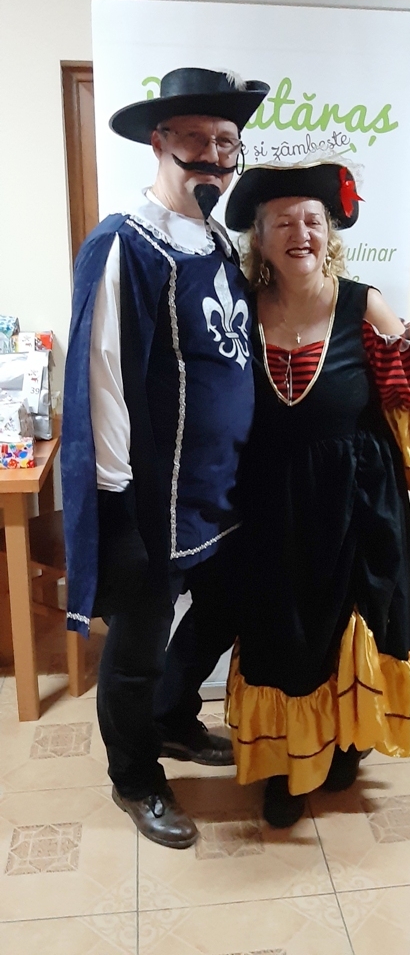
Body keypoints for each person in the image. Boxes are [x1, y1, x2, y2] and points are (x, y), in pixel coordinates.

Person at [224, 161, 410, 828]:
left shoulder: (365, 305)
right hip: (271, 500)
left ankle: (345, 743)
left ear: (330, 233)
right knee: (280, 629)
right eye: (283, 222)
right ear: (260, 239)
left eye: (313, 220)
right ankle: (284, 765)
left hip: (358, 499)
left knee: (355, 621)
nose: (301, 233)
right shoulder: (238, 310)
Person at [61, 67, 269, 848]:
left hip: (222, 489)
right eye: (197, 138)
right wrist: (118, 504)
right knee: (136, 650)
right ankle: (135, 776)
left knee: (225, 608)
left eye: (227, 141)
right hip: (152, 496)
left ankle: (174, 720)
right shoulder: (124, 242)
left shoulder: (216, 239)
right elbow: (101, 374)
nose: (214, 155)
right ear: (160, 142)